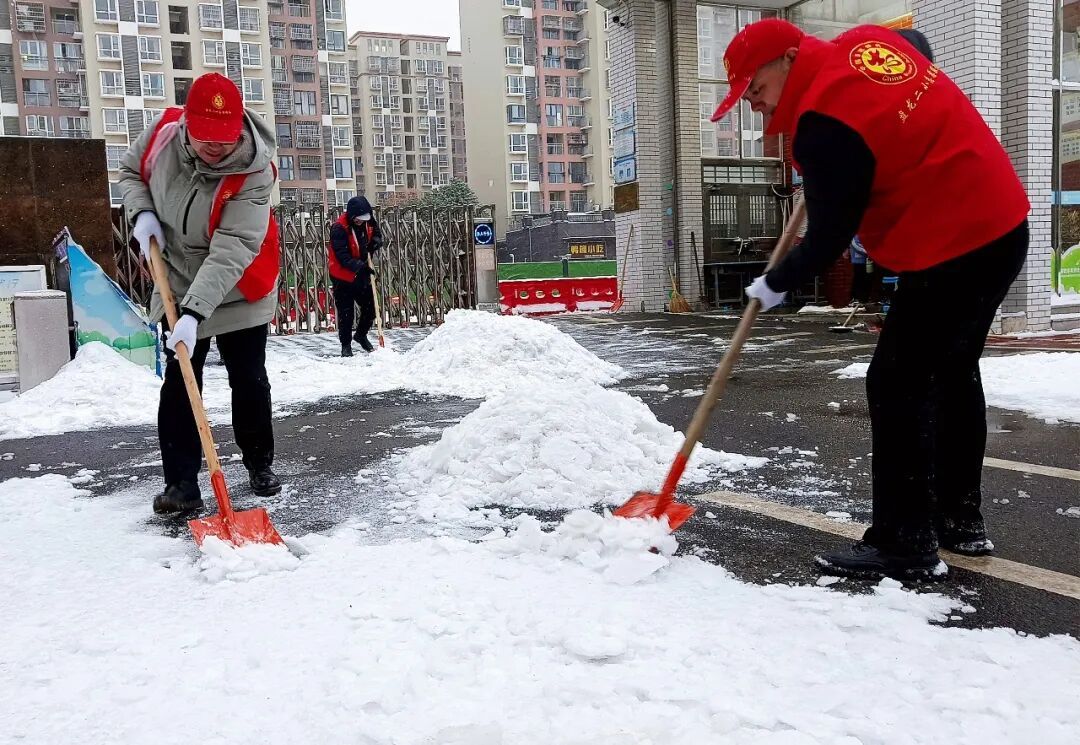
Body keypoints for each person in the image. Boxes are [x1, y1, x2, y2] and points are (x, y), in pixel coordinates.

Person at [713, 20, 1030, 579]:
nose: (755, 108)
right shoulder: (865, 43)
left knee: (897, 382)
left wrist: (774, 282)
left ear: (788, 58)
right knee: (952, 372)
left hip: (953, 246)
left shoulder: (825, 128)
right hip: (1001, 225)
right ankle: (958, 520)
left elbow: (831, 238)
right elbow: (920, 49)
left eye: (755, 91)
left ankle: (903, 543)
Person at [119, 72, 282, 514]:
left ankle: (258, 463)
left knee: (247, 377)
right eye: (206, 139)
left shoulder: (255, 170)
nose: (215, 149)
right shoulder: (162, 135)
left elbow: (234, 249)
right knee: (179, 383)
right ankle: (182, 485)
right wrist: (141, 214)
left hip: (238, 283)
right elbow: (131, 172)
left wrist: (194, 314)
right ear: (188, 124)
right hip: (175, 278)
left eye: (224, 140)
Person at [328, 196, 383, 356]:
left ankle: (360, 335)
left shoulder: (368, 219)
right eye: (358, 220)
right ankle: (346, 346)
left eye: (364, 219)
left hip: (361, 271)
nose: (361, 222)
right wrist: (360, 267)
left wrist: (376, 241)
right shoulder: (339, 228)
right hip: (342, 276)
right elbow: (342, 257)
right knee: (346, 313)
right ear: (352, 216)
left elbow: (376, 232)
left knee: (371, 307)